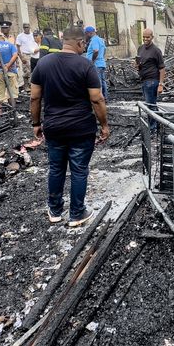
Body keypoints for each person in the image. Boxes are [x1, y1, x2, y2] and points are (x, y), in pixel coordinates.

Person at [30, 26, 110, 227]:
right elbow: (97, 99)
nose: (85, 47)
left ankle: (55, 211)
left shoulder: (43, 63)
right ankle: (76, 214)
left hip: (54, 127)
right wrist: (104, 125)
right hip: (81, 128)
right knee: (79, 170)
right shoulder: (86, 66)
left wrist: (36, 123)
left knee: (56, 168)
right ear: (80, 42)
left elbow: (34, 97)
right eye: (84, 43)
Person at [135, 28, 165, 132]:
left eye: (147, 37)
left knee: (150, 105)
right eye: (143, 37)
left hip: (152, 81)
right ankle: (160, 122)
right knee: (151, 104)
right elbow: (139, 64)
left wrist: (161, 84)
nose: (145, 39)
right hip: (144, 80)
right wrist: (137, 65)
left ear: (152, 37)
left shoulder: (156, 50)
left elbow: (162, 68)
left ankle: (153, 128)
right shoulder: (140, 48)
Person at [83, 26, 108, 101]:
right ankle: (105, 97)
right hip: (101, 63)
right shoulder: (100, 39)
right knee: (102, 81)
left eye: (86, 33)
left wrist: (92, 61)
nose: (86, 35)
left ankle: (99, 99)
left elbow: (96, 51)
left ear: (90, 33)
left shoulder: (94, 40)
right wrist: (101, 58)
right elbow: (104, 50)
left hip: (96, 64)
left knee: (98, 82)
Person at [15, 22, 38, 87]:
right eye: (25, 27)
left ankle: (33, 85)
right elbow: (18, 47)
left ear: (29, 27)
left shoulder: (33, 35)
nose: (26, 28)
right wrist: (21, 57)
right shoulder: (20, 36)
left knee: (34, 70)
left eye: (27, 27)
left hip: (34, 54)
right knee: (26, 71)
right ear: (23, 28)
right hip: (25, 55)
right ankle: (26, 86)